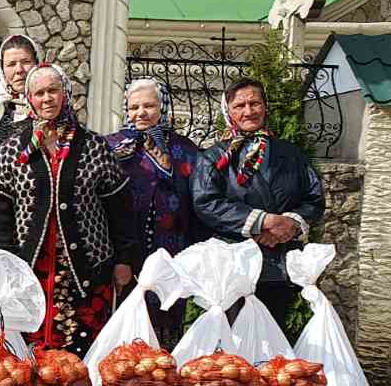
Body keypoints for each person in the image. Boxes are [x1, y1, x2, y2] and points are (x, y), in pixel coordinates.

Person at [0, 63, 138, 355]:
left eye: (53, 90)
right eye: (39, 93)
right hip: (29, 272)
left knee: (82, 357)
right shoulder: (14, 149)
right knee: (27, 356)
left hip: (86, 272)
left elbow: (121, 210)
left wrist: (124, 259)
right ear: (29, 99)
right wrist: (4, 264)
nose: (47, 98)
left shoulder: (93, 146)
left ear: (66, 93)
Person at [192, 76, 325, 333]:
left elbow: (313, 198)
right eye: (239, 105)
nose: (248, 111)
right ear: (228, 112)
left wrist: (289, 225)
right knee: (232, 340)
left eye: (255, 103)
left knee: (272, 337)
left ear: (265, 107)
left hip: (278, 264)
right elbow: (206, 202)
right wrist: (263, 222)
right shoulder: (214, 157)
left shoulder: (291, 154)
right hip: (233, 265)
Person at [106, 77, 203, 347]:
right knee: (124, 320)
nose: (141, 113)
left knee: (165, 316)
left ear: (163, 107)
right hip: (125, 249)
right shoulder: (112, 146)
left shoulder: (184, 149)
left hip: (171, 250)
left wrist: (168, 170)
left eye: (149, 106)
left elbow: (197, 197)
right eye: (134, 107)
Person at [0, 32, 43, 145]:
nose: (19, 70)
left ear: (37, 63)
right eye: (11, 64)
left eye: (26, 62)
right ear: (2, 69)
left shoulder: (48, 106)